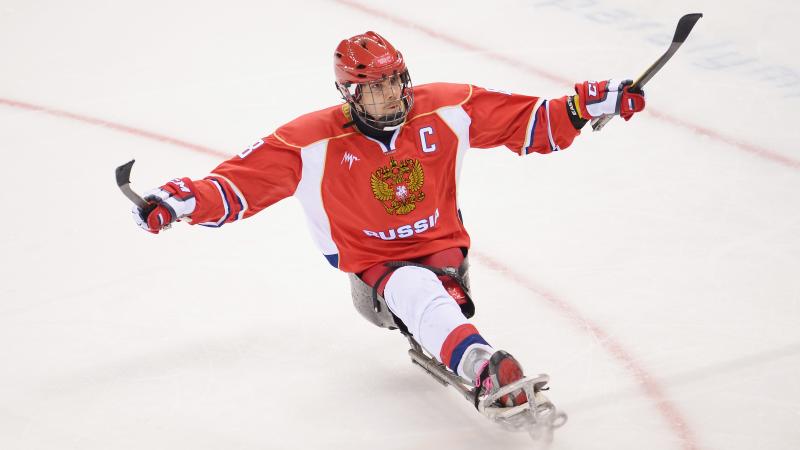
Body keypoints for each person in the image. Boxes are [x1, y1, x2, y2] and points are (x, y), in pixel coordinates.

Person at [131, 31, 645, 409]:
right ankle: (482, 366)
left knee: (433, 288)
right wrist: (179, 202)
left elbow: (528, 121)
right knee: (415, 289)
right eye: (373, 87)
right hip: (372, 265)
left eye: (395, 81)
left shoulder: (445, 107)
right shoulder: (309, 141)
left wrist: (586, 103)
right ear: (349, 94)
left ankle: (451, 322)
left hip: (447, 251)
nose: (389, 95)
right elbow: (237, 185)